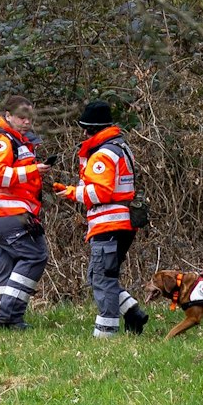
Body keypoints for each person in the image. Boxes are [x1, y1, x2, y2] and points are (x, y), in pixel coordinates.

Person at [54, 100, 148, 336]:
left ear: (91, 129)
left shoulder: (102, 154)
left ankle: (106, 335)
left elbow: (101, 192)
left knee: (102, 279)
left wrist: (70, 192)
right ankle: (133, 314)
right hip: (122, 223)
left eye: (85, 129)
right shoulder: (120, 147)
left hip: (109, 224)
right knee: (101, 276)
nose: (83, 134)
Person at [0, 94, 49, 330]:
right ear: (8, 116)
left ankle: (1, 321)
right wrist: (33, 171)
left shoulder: (19, 141)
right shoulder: (0, 140)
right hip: (4, 212)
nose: (27, 122)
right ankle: (9, 315)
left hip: (5, 213)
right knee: (34, 255)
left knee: (6, 262)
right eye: (21, 117)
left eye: (29, 117)